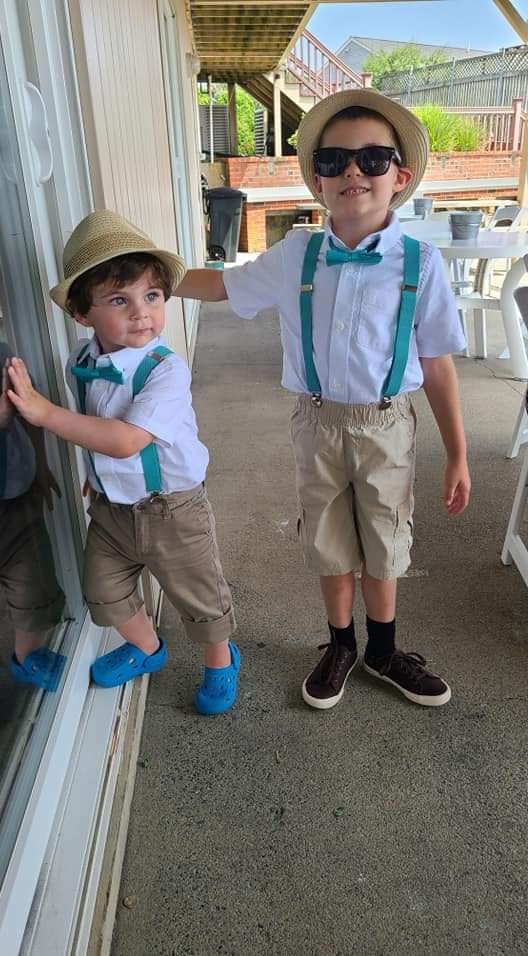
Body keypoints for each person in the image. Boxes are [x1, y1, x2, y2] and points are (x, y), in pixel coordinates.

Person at [173, 88, 470, 710]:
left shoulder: (420, 264)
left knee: (385, 540)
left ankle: (383, 650)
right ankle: (340, 644)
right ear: (317, 179)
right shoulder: (296, 255)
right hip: (316, 423)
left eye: (372, 159)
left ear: (400, 177)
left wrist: (457, 454)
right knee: (329, 541)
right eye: (334, 161)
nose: (353, 172)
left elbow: (438, 364)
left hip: (387, 424)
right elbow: (222, 286)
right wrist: (150, 277)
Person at [6, 211, 240, 714]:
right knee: (102, 592)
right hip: (112, 508)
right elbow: (94, 423)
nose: (141, 313)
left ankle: (220, 660)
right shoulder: (80, 362)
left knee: (199, 596)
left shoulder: (165, 370)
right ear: (81, 313)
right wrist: (95, 476)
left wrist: (44, 414)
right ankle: (148, 648)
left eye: (151, 296)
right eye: (119, 300)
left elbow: (127, 440)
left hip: (173, 508)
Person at [0, 346, 65, 691]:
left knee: (32, 584)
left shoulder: (3, 357)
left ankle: (28, 656)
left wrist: (40, 464)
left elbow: (30, 413)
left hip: (15, 497)